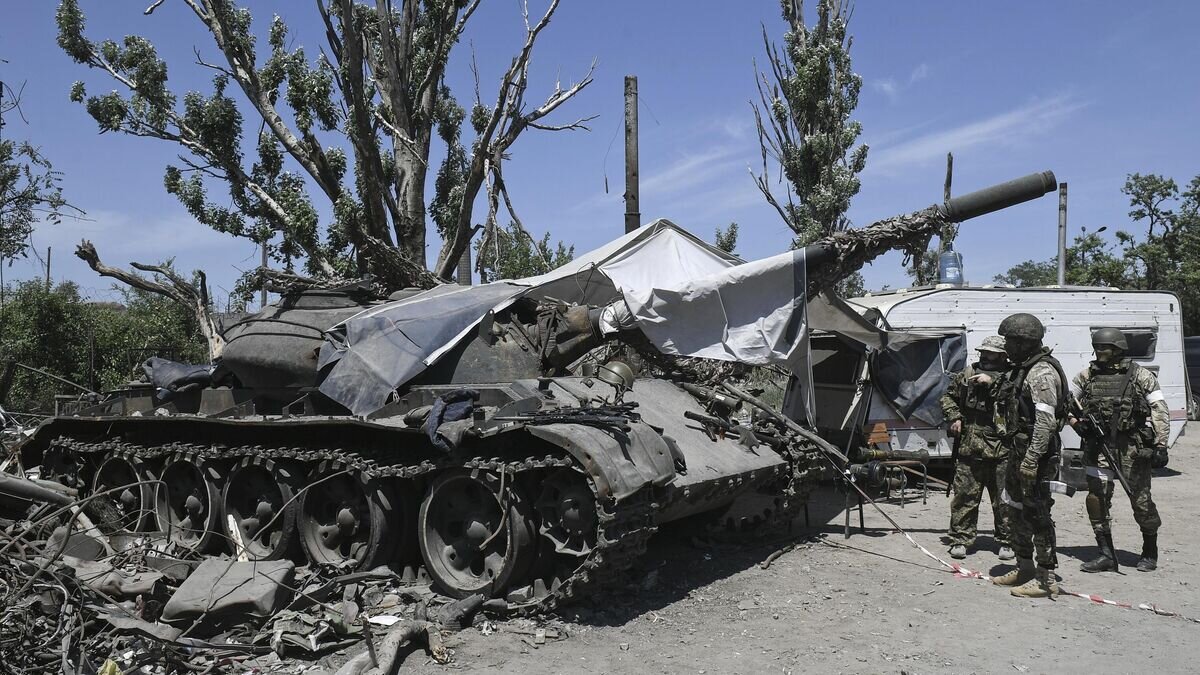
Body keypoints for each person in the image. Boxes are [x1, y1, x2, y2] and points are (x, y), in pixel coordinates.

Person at [1069, 327, 1168, 573]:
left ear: (1119, 348)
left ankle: (1150, 550)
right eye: (1098, 347)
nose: (1101, 352)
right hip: (1098, 447)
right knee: (1097, 499)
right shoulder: (1086, 376)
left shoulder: (1140, 375)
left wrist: (1161, 444)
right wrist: (1076, 424)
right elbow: (1066, 402)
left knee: (1141, 501)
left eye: (1106, 347)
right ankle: (1106, 554)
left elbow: (1159, 408)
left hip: (1131, 449)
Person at [989, 313, 1069, 599]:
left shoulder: (1042, 372)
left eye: (1009, 340)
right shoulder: (1021, 368)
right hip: (1018, 450)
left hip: (1036, 456)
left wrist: (1032, 460)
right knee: (1014, 509)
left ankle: (1046, 579)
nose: (1005, 346)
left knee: (1038, 514)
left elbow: (1045, 422)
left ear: (1024, 342)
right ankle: (1024, 567)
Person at [941, 335, 1013, 561]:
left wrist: (993, 383)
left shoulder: (1012, 377)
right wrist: (954, 416)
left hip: (1002, 451)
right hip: (969, 449)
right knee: (964, 497)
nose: (984, 355)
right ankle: (961, 540)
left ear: (1002, 356)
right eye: (983, 351)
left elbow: (1017, 403)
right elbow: (947, 397)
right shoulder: (967, 374)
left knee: (1005, 500)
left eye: (990, 352)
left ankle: (1007, 541)